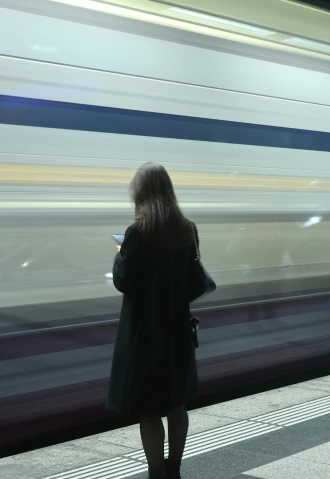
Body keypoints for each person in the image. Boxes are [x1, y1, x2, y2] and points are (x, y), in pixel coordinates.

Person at [107, 162, 199, 479]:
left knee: (149, 411)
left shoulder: (137, 233)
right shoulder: (187, 230)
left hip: (145, 336)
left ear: (140, 193)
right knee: (176, 403)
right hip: (178, 332)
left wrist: (121, 252)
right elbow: (193, 283)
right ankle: (174, 469)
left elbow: (124, 280)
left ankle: (155, 472)